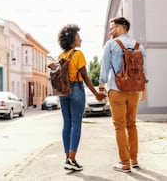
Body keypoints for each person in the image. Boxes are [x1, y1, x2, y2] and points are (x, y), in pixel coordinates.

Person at [98, 17, 148, 173]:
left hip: (117, 90)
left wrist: (101, 88)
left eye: (112, 28)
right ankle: (133, 159)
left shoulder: (111, 45)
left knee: (119, 126)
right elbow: (143, 70)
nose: (110, 31)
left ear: (120, 28)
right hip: (134, 91)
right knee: (131, 124)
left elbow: (104, 67)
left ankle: (124, 162)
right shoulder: (139, 46)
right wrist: (144, 90)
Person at [57, 24, 106, 171]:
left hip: (63, 91)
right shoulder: (78, 54)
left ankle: (68, 158)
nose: (81, 39)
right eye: (78, 37)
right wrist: (96, 93)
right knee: (76, 123)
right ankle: (71, 160)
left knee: (67, 123)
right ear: (72, 40)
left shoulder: (61, 56)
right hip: (76, 89)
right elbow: (85, 76)